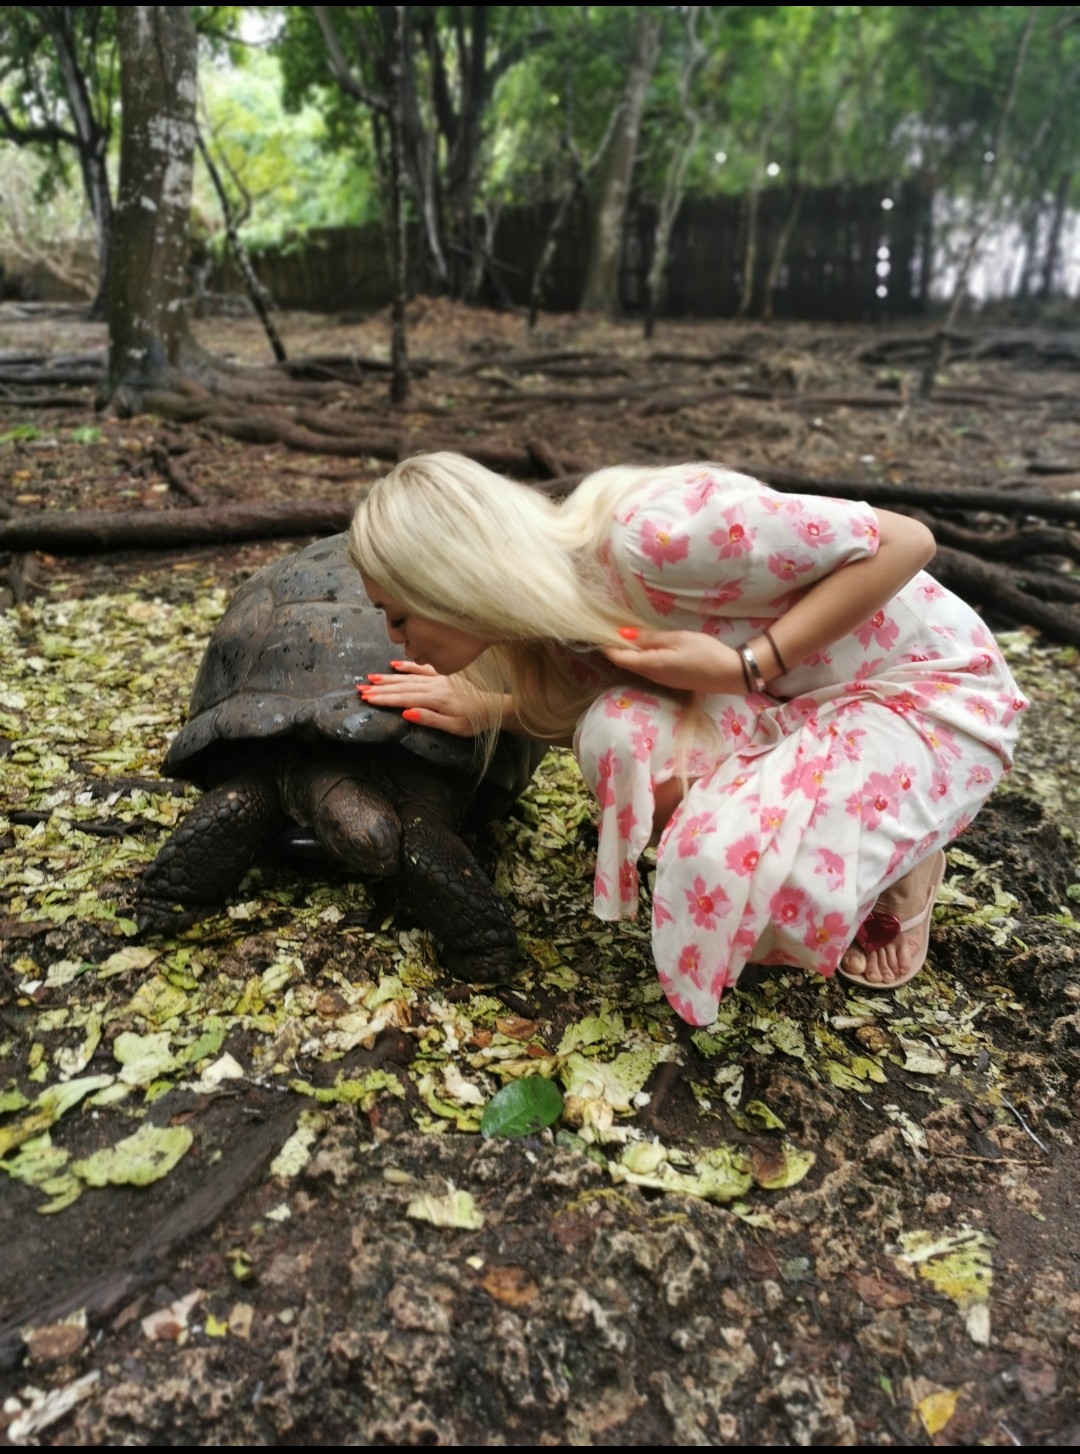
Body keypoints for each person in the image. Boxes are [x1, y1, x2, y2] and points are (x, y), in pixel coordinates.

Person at [349, 451, 1027, 1027]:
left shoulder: (653, 535)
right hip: (785, 703)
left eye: (400, 615)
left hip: (923, 691)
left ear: (450, 582)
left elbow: (907, 540)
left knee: (731, 869)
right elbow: (594, 723)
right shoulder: (558, 624)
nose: (395, 640)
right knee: (617, 732)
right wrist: (491, 709)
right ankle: (858, 827)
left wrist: (748, 663)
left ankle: (907, 856)